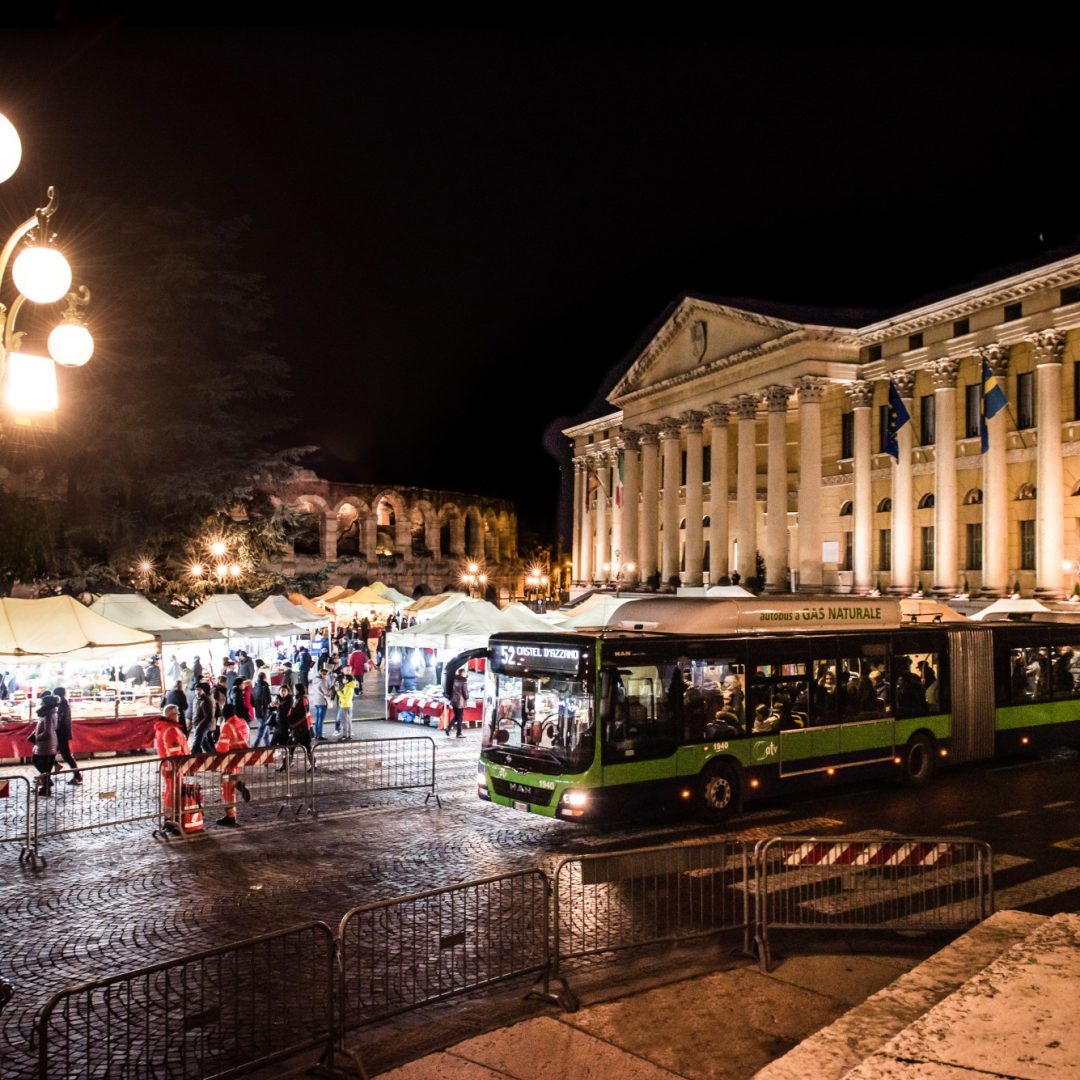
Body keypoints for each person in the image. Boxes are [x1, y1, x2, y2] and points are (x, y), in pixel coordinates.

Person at [154, 704, 191, 835]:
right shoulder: (171, 730)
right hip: (174, 767)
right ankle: (171, 820)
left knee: (171, 792)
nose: (179, 716)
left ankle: (170, 818)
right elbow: (176, 753)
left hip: (169, 766)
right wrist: (187, 763)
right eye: (176, 714)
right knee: (173, 793)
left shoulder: (164, 728)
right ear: (170, 715)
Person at [214, 703, 251, 827]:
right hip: (240, 758)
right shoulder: (242, 722)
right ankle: (238, 783)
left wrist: (215, 746)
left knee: (227, 788)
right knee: (231, 781)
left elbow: (222, 748)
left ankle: (230, 816)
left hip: (229, 760)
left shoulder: (228, 725)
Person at [29, 693, 59, 797]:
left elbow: (48, 731)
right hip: (44, 744)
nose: (41, 703)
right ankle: (46, 785)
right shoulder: (46, 713)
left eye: (43, 702)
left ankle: (46, 786)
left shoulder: (49, 714)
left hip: (46, 744)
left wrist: (37, 737)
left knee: (40, 763)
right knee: (42, 765)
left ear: (46, 703)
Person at [52, 687, 82, 785]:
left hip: (61, 733)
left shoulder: (63, 704)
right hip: (61, 732)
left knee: (66, 755)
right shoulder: (62, 703)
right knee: (51, 753)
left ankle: (77, 775)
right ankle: (47, 776)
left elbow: (60, 719)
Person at [189, 682, 215, 753]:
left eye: (199, 689)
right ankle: (214, 757)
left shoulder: (206, 700)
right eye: (196, 690)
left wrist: (199, 726)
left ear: (203, 690)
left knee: (196, 745)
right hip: (196, 724)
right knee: (205, 744)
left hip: (202, 726)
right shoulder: (195, 699)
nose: (198, 691)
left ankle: (192, 758)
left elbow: (208, 716)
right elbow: (194, 713)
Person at [251, 671, 273, 747]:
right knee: (262, 730)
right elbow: (269, 701)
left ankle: (268, 745)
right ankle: (255, 745)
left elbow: (252, 702)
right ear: (264, 678)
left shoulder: (254, 688)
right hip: (264, 712)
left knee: (265, 729)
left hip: (258, 712)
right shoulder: (265, 687)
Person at [308, 666, 328, 740]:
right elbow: (326, 692)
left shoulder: (315, 680)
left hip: (316, 701)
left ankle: (317, 734)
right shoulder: (322, 681)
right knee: (321, 719)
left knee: (318, 719)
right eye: (326, 675)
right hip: (322, 701)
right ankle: (319, 735)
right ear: (323, 674)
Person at [449, 666, 469, 738]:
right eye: (465, 672)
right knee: (459, 717)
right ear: (462, 673)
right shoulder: (464, 681)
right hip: (460, 702)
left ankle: (448, 728)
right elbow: (465, 692)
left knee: (457, 716)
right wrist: (467, 697)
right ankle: (459, 733)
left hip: (454, 701)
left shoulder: (455, 679)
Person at [335, 674, 356, 740]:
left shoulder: (347, 687)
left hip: (344, 705)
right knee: (349, 721)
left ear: (347, 680)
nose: (343, 680)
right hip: (349, 705)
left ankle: (345, 735)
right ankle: (349, 735)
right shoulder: (351, 686)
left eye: (344, 679)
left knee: (344, 721)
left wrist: (338, 690)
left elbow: (344, 696)